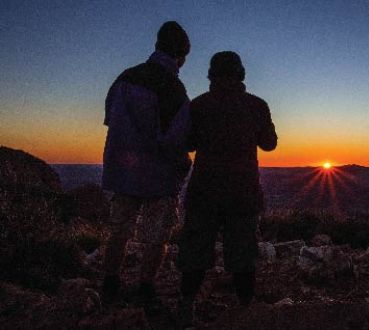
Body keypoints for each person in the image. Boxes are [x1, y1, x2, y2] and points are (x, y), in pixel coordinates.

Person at [176, 51, 278, 327]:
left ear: (211, 75)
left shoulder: (198, 105)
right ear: (241, 73)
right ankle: (245, 310)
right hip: (242, 192)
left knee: (195, 254)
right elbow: (270, 143)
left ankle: (186, 308)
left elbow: (188, 144)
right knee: (243, 255)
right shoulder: (256, 105)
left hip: (204, 190)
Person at [101, 21, 192, 302]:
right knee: (156, 236)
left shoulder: (124, 78)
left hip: (122, 170)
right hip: (158, 176)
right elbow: (177, 138)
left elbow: (109, 119)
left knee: (119, 229)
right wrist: (182, 163)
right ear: (181, 55)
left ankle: (110, 285)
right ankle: (145, 288)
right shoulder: (173, 89)